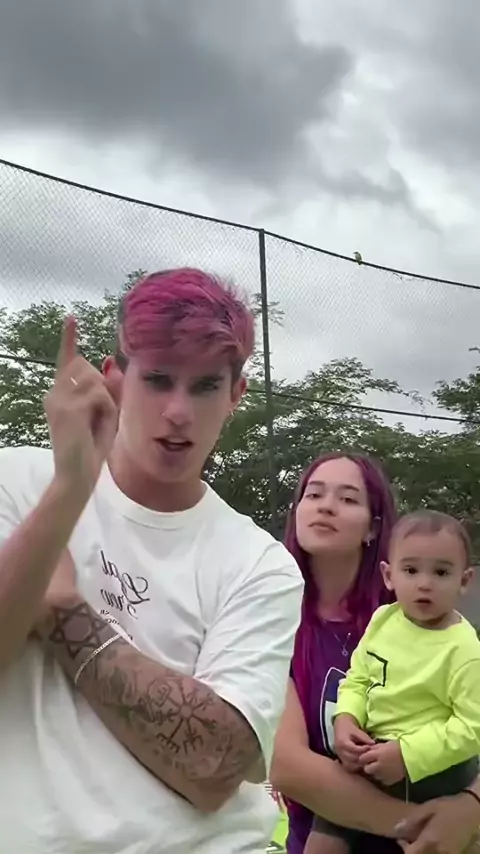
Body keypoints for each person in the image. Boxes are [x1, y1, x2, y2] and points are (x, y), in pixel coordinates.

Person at [0, 268, 304, 854]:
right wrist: (68, 492)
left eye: (205, 386)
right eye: (159, 380)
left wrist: (62, 608)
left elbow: (216, 766)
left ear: (236, 395)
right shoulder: (18, 481)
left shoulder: (260, 563)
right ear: (114, 379)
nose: (178, 412)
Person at [270, 452, 480, 854]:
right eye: (314, 494)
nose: (326, 506)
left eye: (348, 498)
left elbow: (471, 720)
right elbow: (289, 767)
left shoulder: (419, 614)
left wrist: (471, 807)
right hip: (339, 832)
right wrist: (429, 829)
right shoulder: (273, 621)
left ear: (373, 526)